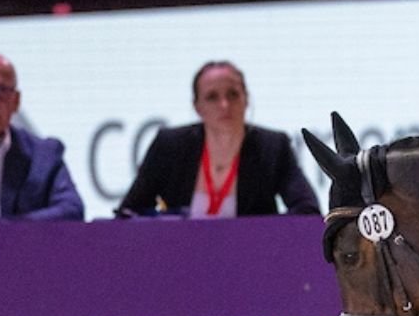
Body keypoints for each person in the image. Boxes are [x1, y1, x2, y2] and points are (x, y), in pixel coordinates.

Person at [118, 61, 320, 218]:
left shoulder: (272, 147)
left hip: (251, 258)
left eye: (233, 94)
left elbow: (307, 209)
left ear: (246, 99)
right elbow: (129, 212)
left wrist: (265, 232)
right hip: (177, 258)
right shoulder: (170, 145)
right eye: (212, 97)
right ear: (197, 107)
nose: (224, 105)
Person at [0, 50, 84, 222]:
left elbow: (72, 211)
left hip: (12, 248)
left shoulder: (43, 156)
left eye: (1, 90)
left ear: (15, 102)